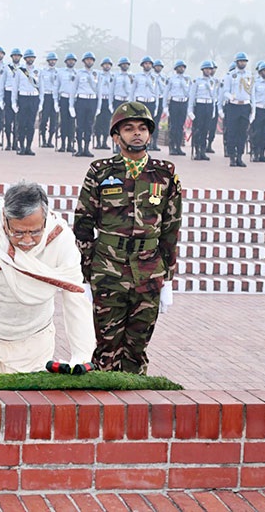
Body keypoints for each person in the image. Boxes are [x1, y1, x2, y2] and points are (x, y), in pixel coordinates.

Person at [73, 101, 182, 374]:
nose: (137, 134)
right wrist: (86, 275)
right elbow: (83, 224)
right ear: (115, 136)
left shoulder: (164, 173)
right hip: (108, 268)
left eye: (143, 128)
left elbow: (171, 228)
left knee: (137, 348)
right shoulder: (100, 171)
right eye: (129, 128)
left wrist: (167, 278)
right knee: (107, 349)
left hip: (148, 270)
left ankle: (133, 408)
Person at [0, 181, 96, 377]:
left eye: (35, 232)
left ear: (45, 221)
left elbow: (75, 299)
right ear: (5, 221)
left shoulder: (60, 238)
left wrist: (82, 356)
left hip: (35, 343)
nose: (27, 240)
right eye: (19, 232)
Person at [223, 51, 252, 167]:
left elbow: (252, 92)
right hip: (233, 106)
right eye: (240, 61)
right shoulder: (230, 75)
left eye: (244, 61)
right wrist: (231, 97)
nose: (242, 63)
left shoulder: (249, 75)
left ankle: (239, 157)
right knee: (232, 133)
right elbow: (225, 91)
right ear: (236, 62)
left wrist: (253, 109)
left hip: (245, 106)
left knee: (243, 133)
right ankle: (232, 157)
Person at [11, 49, 40, 156]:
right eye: (28, 57)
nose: (30, 59)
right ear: (25, 59)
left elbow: (42, 87)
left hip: (34, 98)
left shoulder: (38, 71)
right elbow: (15, 87)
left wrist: (40, 103)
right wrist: (13, 102)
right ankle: (22, 146)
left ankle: (29, 147)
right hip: (23, 98)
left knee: (31, 125)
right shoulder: (19, 71)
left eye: (32, 57)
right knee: (22, 124)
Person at [188, 59, 217, 161]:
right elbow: (192, 97)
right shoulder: (197, 81)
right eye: (206, 69)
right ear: (203, 69)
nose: (208, 71)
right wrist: (190, 111)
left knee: (205, 129)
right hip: (199, 106)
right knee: (198, 130)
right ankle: (197, 151)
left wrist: (213, 110)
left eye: (210, 69)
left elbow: (214, 97)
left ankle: (203, 151)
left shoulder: (213, 82)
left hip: (208, 106)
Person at [72, 51, 99, 157]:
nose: (89, 61)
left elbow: (99, 91)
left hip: (92, 100)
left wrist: (99, 106)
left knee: (89, 125)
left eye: (91, 60)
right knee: (80, 126)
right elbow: (73, 90)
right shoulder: (79, 73)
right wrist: (71, 105)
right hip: (81, 100)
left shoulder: (96, 74)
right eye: (87, 59)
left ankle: (86, 149)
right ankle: (79, 149)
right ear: (84, 61)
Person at [248, 60, 265, 163]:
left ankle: (262, 153)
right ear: (260, 72)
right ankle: (255, 153)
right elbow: (252, 98)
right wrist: (253, 112)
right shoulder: (255, 83)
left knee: (264, 133)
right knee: (256, 133)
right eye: (264, 71)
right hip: (258, 110)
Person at [163, 60, 191, 156]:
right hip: (174, 103)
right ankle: (172, 147)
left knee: (180, 126)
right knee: (173, 126)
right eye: (179, 67)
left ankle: (178, 146)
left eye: (183, 67)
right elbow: (166, 93)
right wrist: (165, 107)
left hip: (183, 102)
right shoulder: (171, 79)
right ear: (176, 69)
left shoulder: (188, 79)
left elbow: (190, 93)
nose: (181, 68)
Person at [0, 48, 22, 150]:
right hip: (8, 93)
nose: (16, 57)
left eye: (18, 55)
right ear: (11, 57)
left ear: (20, 57)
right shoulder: (6, 68)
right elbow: (1, 84)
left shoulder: (23, 69)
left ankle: (15, 142)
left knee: (18, 121)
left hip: (19, 95)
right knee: (8, 121)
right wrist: (1, 99)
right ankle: (8, 142)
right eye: (14, 55)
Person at [131, 56, 158, 151]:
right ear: (142, 65)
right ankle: (137, 146)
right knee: (139, 125)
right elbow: (132, 91)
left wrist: (156, 107)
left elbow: (157, 93)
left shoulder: (155, 77)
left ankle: (146, 148)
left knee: (148, 127)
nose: (148, 65)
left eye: (149, 64)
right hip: (140, 103)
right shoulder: (137, 77)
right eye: (146, 63)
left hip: (151, 102)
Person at [55, 53, 78, 153]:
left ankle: (70, 144)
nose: (71, 62)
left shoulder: (78, 73)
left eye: (73, 60)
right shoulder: (60, 73)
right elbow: (56, 87)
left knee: (72, 123)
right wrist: (55, 101)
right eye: (69, 60)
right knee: (64, 122)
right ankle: (63, 144)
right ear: (66, 62)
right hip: (64, 98)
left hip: (74, 100)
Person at [38, 52, 60, 148]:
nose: (52, 62)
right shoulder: (43, 72)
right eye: (51, 60)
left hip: (54, 97)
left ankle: (50, 139)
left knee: (54, 120)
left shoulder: (58, 72)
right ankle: (43, 139)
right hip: (46, 96)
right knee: (44, 119)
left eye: (54, 60)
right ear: (48, 61)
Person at [94, 57, 115, 150]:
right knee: (98, 122)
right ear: (102, 66)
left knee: (107, 122)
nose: (107, 66)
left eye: (109, 64)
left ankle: (104, 142)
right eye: (105, 64)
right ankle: (98, 142)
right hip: (100, 100)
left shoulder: (113, 76)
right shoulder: (98, 75)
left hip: (108, 101)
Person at [150, 59, 168, 151]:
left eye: (160, 66)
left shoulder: (164, 77)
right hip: (152, 100)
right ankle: (149, 142)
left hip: (161, 99)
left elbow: (165, 89)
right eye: (157, 66)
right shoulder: (151, 76)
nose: (158, 68)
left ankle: (155, 143)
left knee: (156, 122)